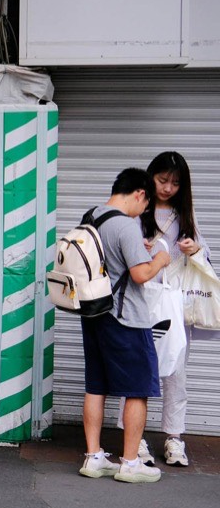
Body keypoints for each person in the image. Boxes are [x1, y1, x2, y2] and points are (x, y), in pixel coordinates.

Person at [78, 168, 171, 485]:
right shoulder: (126, 225)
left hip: (93, 314)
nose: (142, 212)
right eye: (145, 206)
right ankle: (130, 462)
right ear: (140, 194)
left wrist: (137, 252)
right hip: (125, 317)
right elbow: (141, 275)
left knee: (96, 385)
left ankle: (93, 457)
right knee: (138, 389)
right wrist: (160, 256)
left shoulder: (90, 217)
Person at [139, 151, 207, 468]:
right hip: (142, 297)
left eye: (175, 183)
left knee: (176, 371)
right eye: (162, 180)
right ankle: (135, 438)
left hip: (175, 301)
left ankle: (174, 438)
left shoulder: (184, 214)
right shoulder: (138, 209)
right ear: (151, 177)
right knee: (139, 366)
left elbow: (203, 255)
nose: (167, 188)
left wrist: (194, 250)